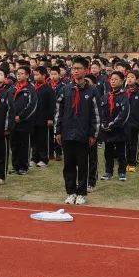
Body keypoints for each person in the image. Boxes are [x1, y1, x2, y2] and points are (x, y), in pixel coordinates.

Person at [55, 56, 100, 205]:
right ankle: (71, 192)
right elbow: (58, 112)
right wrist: (58, 131)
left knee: (83, 164)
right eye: (73, 68)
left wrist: (93, 134)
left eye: (79, 68)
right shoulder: (65, 89)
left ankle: (81, 193)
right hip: (67, 133)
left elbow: (96, 114)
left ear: (86, 71)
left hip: (83, 134)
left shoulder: (92, 91)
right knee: (68, 165)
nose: (75, 71)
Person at [99, 70, 131, 182]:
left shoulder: (124, 96)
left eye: (116, 79)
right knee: (108, 152)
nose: (113, 81)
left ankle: (122, 172)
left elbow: (124, 114)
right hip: (107, 131)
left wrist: (112, 124)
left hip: (120, 130)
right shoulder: (105, 96)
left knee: (121, 152)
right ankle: (108, 172)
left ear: (122, 81)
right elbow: (101, 112)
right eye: (111, 79)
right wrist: (103, 124)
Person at [10, 65, 38, 175]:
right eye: (18, 73)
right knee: (14, 145)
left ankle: (24, 166)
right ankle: (16, 166)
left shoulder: (30, 89)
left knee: (24, 145)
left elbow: (32, 106)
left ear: (27, 75)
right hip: (13, 122)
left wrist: (20, 117)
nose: (19, 75)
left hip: (25, 123)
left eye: (22, 73)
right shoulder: (13, 88)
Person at [30, 66, 54, 167]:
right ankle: (34, 158)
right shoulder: (32, 88)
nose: (35, 77)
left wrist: (50, 118)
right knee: (34, 140)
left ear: (44, 75)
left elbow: (51, 105)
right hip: (33, 118)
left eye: (37, 75)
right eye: (34, 75)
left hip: (43, 119)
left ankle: (44, 159)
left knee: (43, 139)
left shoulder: (48, 89)